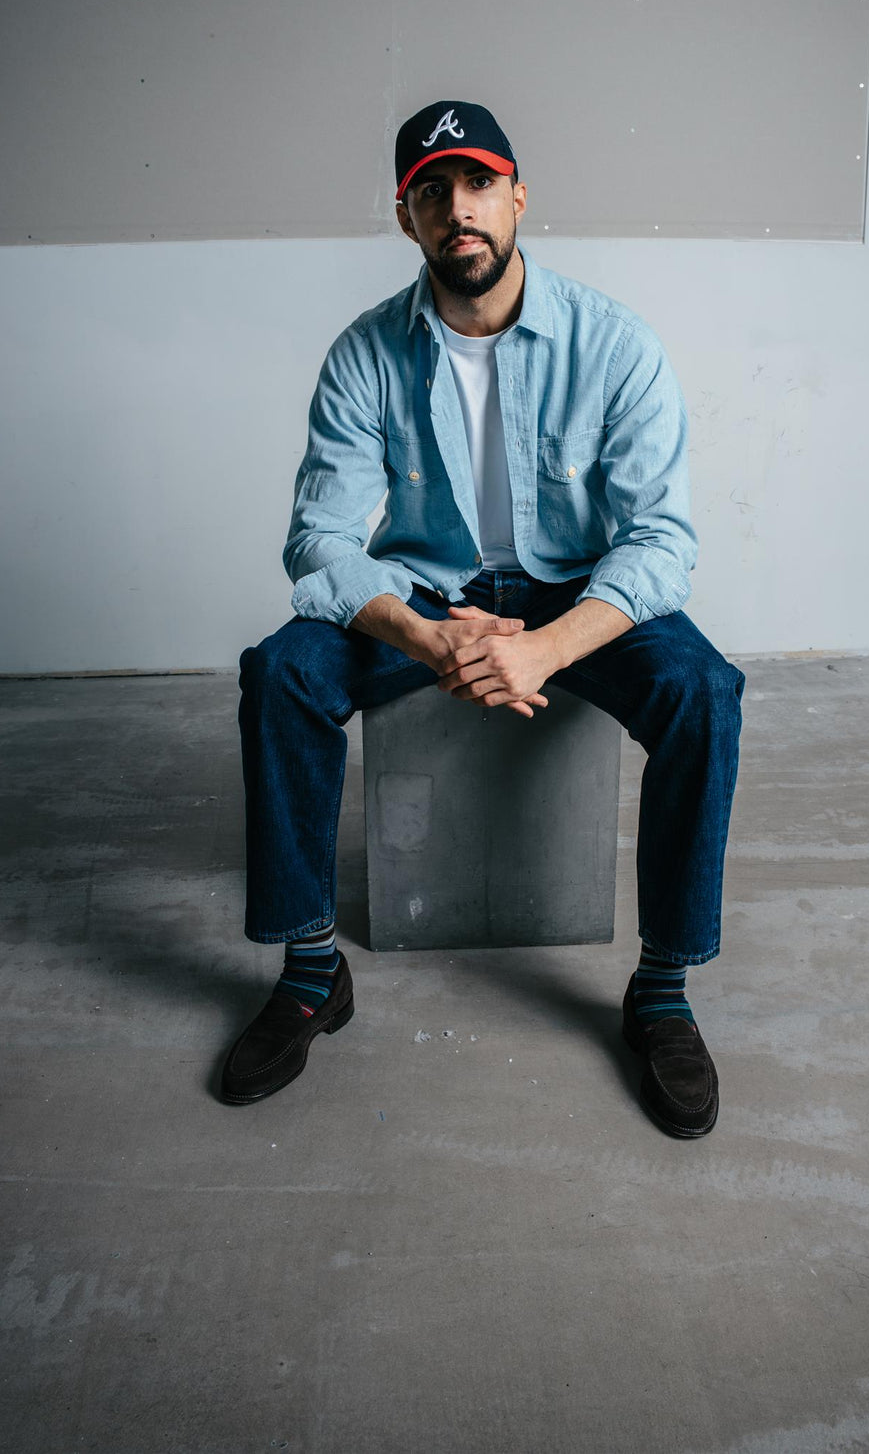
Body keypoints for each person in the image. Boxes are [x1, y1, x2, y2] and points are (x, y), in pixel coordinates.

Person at [221, 99, 745, 1138]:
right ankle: (314, 970)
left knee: (704, 691)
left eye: (475, 184)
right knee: (280, 672)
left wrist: (543, 646)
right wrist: (430, 636)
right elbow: (318, 538)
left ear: (517, 195)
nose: (457, 209)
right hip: (428, 592)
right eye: (430, 191)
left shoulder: (614, 343)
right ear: (406, 216)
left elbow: (663, 543)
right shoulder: (366, 353)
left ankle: (664, 991)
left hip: (574, 590)